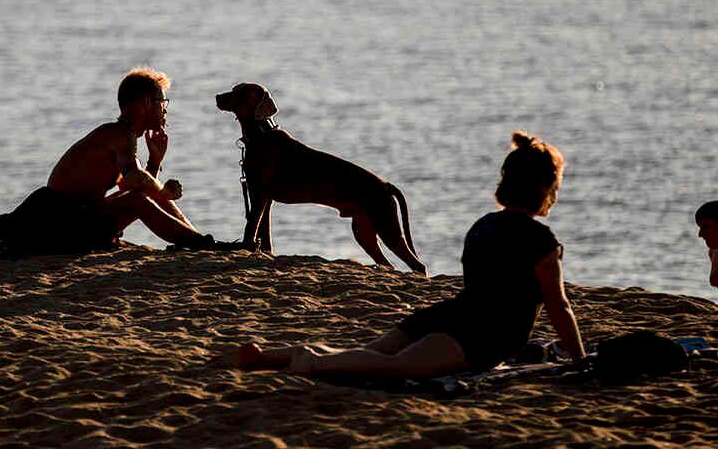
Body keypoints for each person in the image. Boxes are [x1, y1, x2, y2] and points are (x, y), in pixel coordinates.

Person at [226, 131, 586, 379]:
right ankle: (311, 364)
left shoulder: (483, 226)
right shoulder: (542, 242)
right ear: (544, 190)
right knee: (397, 367)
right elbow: (559, 307)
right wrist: (580, 360)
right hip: (479, 336)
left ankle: (272, 356)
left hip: (447, 314)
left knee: (374, 351)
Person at [0, 68, 229, 256]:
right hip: (59, 219)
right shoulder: (119, 134)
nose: (165, 110)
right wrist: (165, 190)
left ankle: (200, 240)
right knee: (140, 199)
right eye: (162, 102)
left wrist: (154, 162)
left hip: (78, 216)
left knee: (142, 197)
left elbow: (136, 186)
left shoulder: (123, 138)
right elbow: (136, 181)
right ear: (146, 103)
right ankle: (202, 244)